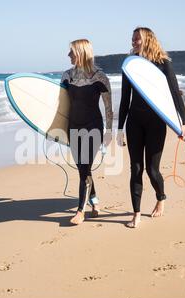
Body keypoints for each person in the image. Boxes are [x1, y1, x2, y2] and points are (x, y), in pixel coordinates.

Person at [117, 27, 185, 228]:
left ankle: (161, 197)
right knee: (136, 168)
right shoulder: (130, 65)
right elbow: (124, 98)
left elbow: (175, 93)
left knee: (152, 169)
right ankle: (136, 213)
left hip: (156, 122)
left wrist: (183, 122)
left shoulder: (163, 63)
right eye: (132, 38)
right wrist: (120, 128)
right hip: (134, 121)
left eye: (137, 38)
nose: (133, 42)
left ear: (147, 40)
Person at [61, 39, 113, 225]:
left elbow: (108, 107)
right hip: (73, 126)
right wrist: (55, 128)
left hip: (93, 127)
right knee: (84, 169)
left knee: (84, 167)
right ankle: (95, 202)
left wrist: (109, 132)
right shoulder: (66, 76)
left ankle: (80, 211)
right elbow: (61, 106)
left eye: (72, 52)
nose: (68, 56)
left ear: (81, 53)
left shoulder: (100, 77)